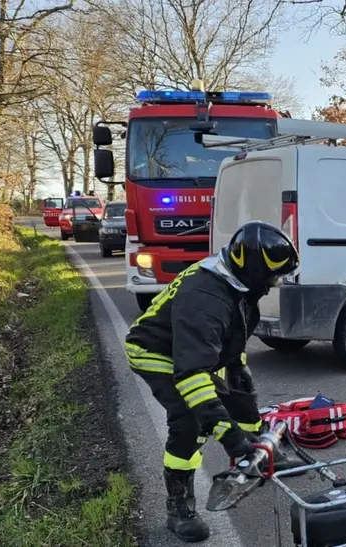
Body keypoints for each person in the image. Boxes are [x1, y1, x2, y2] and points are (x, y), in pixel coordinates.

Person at [124, 221, 305, 543]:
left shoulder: (236, 281)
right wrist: (231, 438)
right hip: (156, 352)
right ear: (252, 269)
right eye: (272, 277)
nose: (274, 283)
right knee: (190, 419)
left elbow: (230, 338)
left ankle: (260, 453)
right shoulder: (205, 298)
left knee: (239, 395)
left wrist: (238, 371)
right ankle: (178, 508)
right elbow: (191, 374)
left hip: (193, 352)